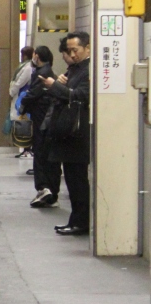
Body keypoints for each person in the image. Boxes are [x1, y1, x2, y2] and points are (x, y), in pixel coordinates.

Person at [42, 32, 91, 235]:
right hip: (69, 133)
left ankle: (81, 221)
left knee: (78, 181)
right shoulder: (74, 69)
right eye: (69, 50)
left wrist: (56, 86)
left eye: (75, 50)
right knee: (72, 180)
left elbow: (81, 96)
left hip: (78, 133)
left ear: (87, 48)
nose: (71, 54)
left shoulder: (88, 70)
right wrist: (60, 85)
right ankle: (76, 219)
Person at [21, 45, 58, 205]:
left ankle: (44, 188)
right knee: (47, 154)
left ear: (37, 56)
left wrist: (23, 103)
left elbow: (33, 94)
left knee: (41, 152)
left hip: (41, 117)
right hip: (46, 117)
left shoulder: (42, 73)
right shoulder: (48, 71)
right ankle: (51, 191)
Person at [8, 45, 35, 157]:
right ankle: (26, 147)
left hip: (22, 96)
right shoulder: (25, 66)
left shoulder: (28, 67)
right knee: (22, 120)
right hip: (20, 96)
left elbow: (19, 82)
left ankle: (27, 146)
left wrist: (11, 92)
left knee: (24, 121)